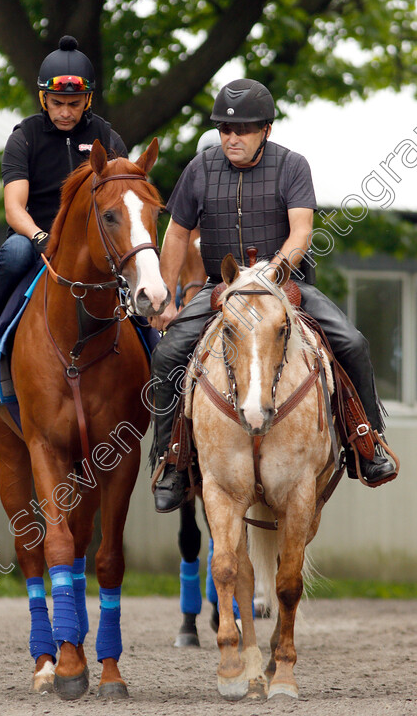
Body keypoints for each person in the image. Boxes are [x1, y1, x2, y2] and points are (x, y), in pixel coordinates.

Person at [149, 78, 396, 513]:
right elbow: (178, 232)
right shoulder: (199, 169)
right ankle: (170, 461)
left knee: (353, 342)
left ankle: (367, 441)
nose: (231, 138)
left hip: (284, 286)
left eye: (242, 129)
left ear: (266, 129)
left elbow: (301, 230)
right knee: (167, 356)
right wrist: (168, 299)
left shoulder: (292, 166)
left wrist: (272, 272)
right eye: (225, 130)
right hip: (220, 289)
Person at [0, 36, 127, 363]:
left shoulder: (108, 137)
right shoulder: (24, 137)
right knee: (14, 252)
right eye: (57, 103)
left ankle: (153, 341)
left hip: (94, 240)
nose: (66, 112)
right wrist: (39, 236)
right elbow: (14, 206)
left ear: (88, 100)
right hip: (36, 237)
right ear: (44, 99)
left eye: (74, 103)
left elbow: (125, 198)